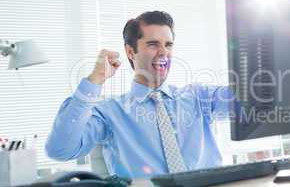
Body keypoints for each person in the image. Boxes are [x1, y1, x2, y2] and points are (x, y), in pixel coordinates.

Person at [45, 11, 232, 178]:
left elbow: (248, 102)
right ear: (130, 51)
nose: (163, 53)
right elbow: (60, 149)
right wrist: (95, 79)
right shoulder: (109, 112)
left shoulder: (198, 96)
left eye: (168, 45)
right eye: (153, 44)